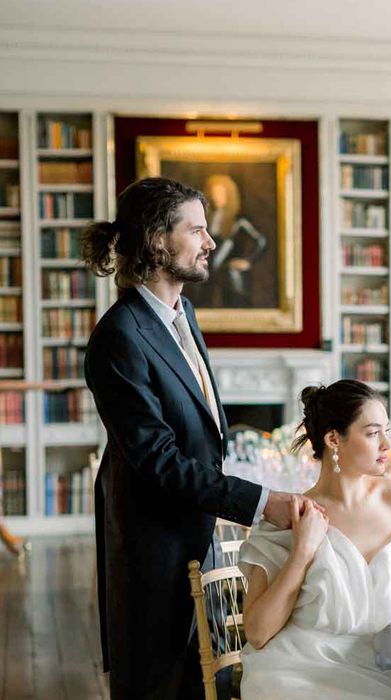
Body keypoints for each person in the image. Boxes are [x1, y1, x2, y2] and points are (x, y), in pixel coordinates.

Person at [81, 177, 314, 700]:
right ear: (159, 241)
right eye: (198, 230)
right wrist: (259, 502)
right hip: (152, 547)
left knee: (202, 679)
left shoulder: (181, 312)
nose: (210, 242)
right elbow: (159, 460)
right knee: (156, 684)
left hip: (196, 534)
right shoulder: (118, 338)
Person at [238, 380, 391, 699]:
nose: (387, 444)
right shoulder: (290, 516)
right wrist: (303, 551)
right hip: (289, 673)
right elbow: (258, 633)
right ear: (334, 439)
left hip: (365, 669)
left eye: (386, 431)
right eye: (373, 433)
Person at [185, 173, 267, 309]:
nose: (216, 197)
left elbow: (261, 241)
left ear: (229, 194)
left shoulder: (240, 220)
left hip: (227, 271)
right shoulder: (208, 218)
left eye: (220, 193)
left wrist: (248, 261)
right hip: (209, 269)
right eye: (214, 193)